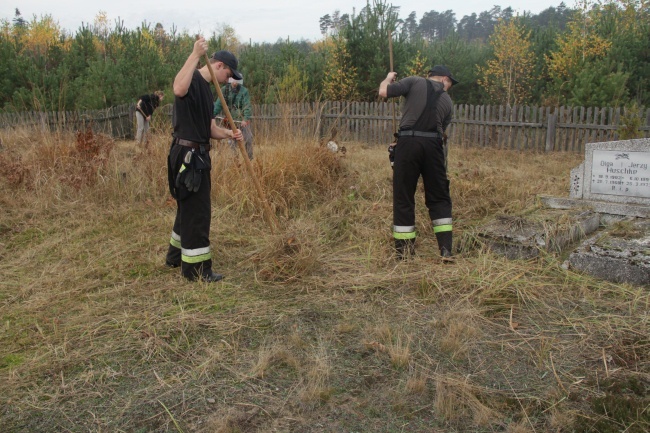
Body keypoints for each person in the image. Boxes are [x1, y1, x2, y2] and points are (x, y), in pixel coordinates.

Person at [165, 39, 243, 282]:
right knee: (198, 211)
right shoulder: (191, 80)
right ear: (218, 66)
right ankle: (197, 270)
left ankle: (175, 256)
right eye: (227, 74)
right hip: (188, 156)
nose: (228, 80)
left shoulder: (208, 94)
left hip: (197, 154)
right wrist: (195, 54)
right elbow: (178, 88)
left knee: (187, 206)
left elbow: (209, 129)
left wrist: (229, 133)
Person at [378, 65, 458, 260]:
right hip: (434, 148)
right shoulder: (448, 102)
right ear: (443, 79)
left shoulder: (413, 81)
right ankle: (445, 249)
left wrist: (389, 78)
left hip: (408, 144)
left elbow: (383, 91)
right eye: (449, 83)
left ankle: (404, 253)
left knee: (404, 196)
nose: (448, 88)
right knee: (439, 197)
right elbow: (441, 134)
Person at [213, 75, 254, 160]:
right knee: (232, 141)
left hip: (241, 121)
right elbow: (218, 104)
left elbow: (247, 106)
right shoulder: (224, 90)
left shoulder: (244, 91)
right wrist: (211, 115)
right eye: (234, 80)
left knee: (248, 139)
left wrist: (245, 119)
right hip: (230, 121)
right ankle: (235, 160)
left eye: (237, 80)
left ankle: (250, 159)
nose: (235, 82)